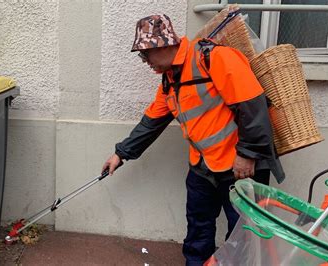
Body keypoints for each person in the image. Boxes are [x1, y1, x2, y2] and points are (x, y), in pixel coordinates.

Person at [101, 14, 285, 265]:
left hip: (240, 166)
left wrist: (247, 154)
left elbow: (253, 105)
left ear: (164, 44)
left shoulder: (215, 58)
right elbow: (151, 123)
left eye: (145, 54)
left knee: (244, 235)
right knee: (198, 230)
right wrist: (120, 154)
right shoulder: (169, 81)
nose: (144, 61)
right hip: (203, 168)